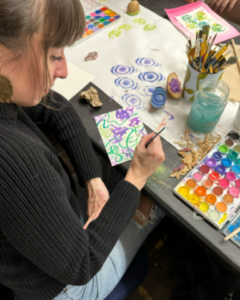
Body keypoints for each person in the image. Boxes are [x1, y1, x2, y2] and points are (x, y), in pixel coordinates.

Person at [0, 0, 166, 299]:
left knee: (106, 177)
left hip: (46, 244)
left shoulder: (6, 93)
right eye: (53, 56)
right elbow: (82, 264)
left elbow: (56, 106)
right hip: (64, 287)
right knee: (159, 203)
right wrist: (137, 178)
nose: (63, 71)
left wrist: (92, 177)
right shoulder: (13, 160)